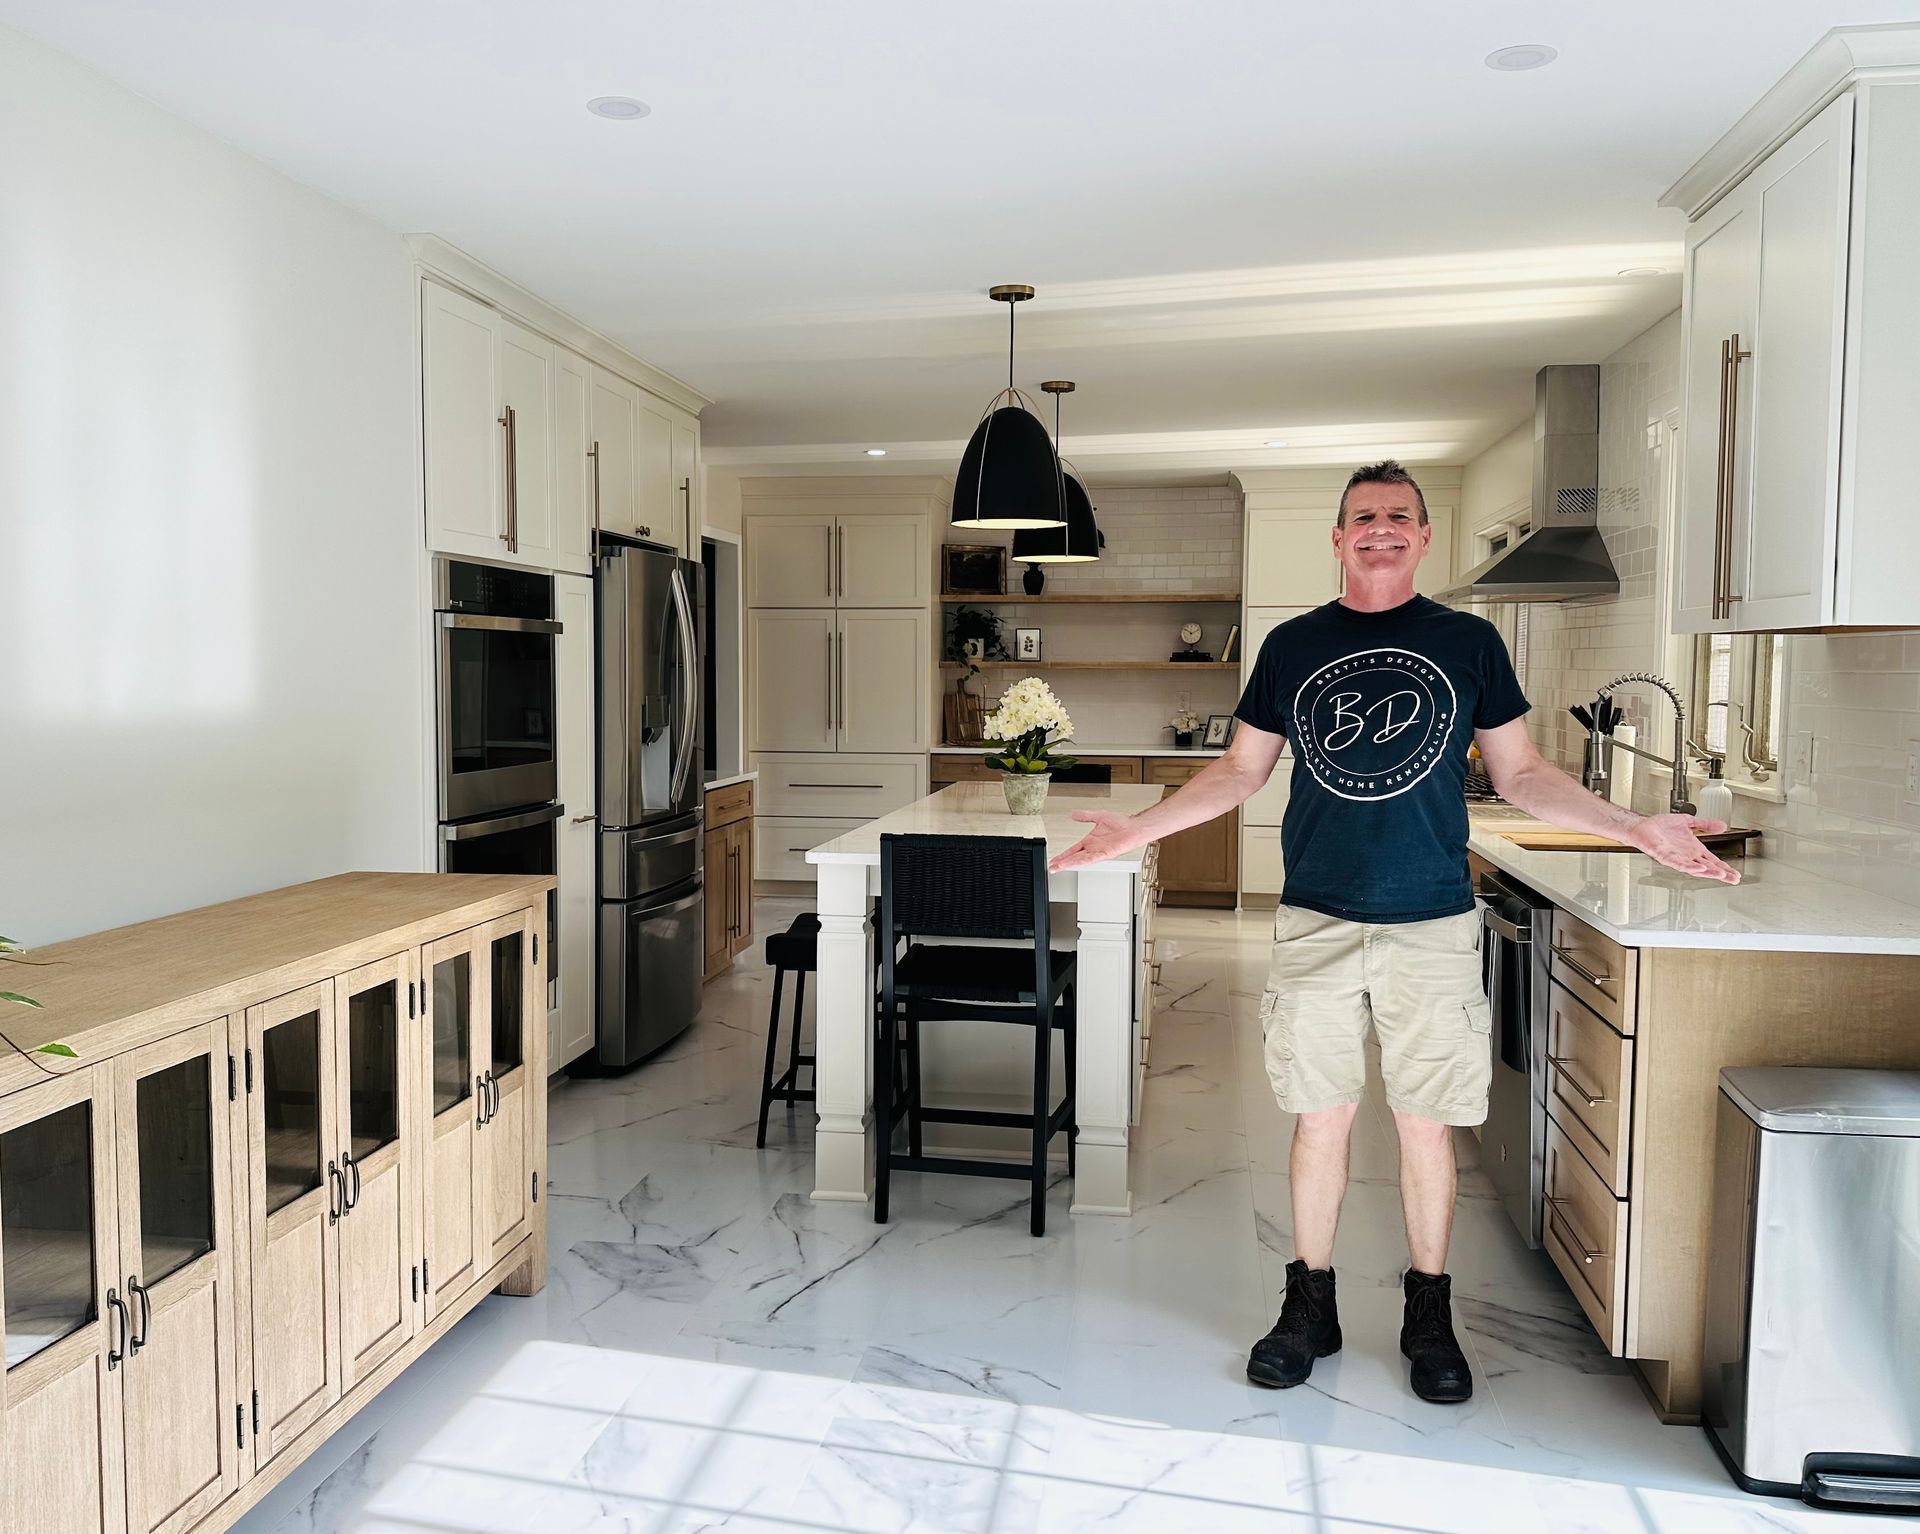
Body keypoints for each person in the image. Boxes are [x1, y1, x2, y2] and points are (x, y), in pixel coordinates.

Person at [1051, 460, 1738, 1404]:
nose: (1381, 528)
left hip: (1432, 923)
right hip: (1317, 919)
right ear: (1338, 539)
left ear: (1422, 537)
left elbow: (1525, 774)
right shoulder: (1293, 644)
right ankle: (1310, 1305)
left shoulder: (1467, 642)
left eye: (1399, 517)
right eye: (1363, 516)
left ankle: (1430, 1314)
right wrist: (1140, 829)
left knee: (1425, 1129)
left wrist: (1636, 825)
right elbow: (1239, 773)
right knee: (1319, 1118)